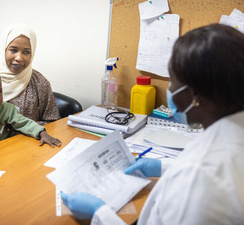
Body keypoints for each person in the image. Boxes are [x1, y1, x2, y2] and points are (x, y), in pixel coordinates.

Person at [60, 24, 244, 224]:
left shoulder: (199, 175)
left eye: (172, 81)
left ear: (194, 95)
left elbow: (202, 174)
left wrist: (99, 213)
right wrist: (163, 166)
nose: (170, 90)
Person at [0, 23, 61, 125]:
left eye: (26, 52)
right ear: (4, 50)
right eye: (13, 50)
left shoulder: (39, 82)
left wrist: (24, 130)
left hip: (28, 139)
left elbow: (53, 122)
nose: (19, 58)